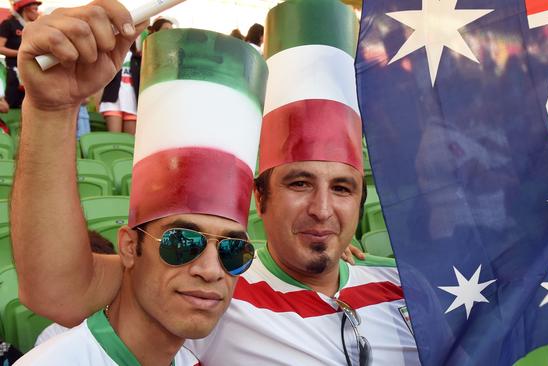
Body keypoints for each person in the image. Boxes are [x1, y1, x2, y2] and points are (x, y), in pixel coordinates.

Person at [13, 1, 420, 365]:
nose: (323, 209)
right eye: (299, 183)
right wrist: (52, 108)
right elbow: (59, 287)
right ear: (260, 198)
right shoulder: (221, 294)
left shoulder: (409, 286)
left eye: (343, 188)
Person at [12, 1, 267, 364]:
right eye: (182, 243)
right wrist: (49, 108)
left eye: (233, 252)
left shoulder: (188, 355)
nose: (211, 271)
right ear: (129, 248)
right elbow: (54, 285)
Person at [0, 0, 40, 108]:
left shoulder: (34, 27)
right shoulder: (9, 24)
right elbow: (0, 48)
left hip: (33, 70)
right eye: (35, 9)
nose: (38, 12)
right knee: (13, 105)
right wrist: (23, 54)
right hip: (14, 72)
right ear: (25, 9)